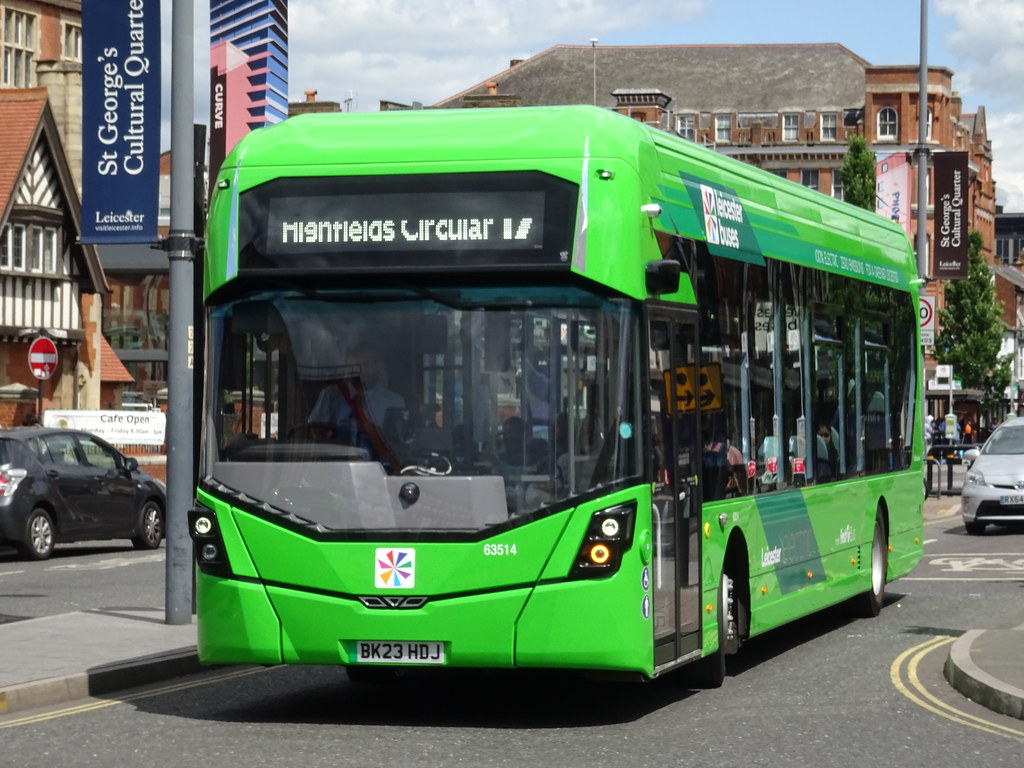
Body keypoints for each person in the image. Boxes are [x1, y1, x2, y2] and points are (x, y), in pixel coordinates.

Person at [307, 345, 405, 442]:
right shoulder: (330, 395)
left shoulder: (394, 401)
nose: (371, 370)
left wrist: (363, 428)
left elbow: (397, 443)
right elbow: (316, 432)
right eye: (364, 364)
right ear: (350, 367)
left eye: (374, 364)